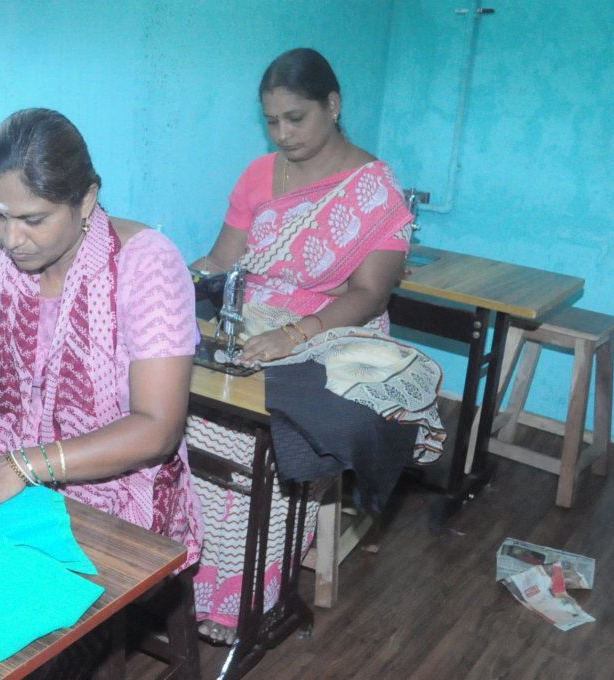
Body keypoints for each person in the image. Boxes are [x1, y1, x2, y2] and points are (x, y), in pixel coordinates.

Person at [189, 48, 439, 644]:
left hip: (330, 334)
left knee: (268, 445)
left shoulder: (377, 193)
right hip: (252, 326)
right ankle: (182, 573)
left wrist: (292, 334)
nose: (283, 134)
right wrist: (165, 283)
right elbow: (224, 262)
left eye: (295, 118)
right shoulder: (258, 174)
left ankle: (241, 601)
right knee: (188, 420)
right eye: (272, 121)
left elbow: (370, 294)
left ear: (333, 105)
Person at [0, 108, 202, 572]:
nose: (10, 238)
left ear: (86, 200)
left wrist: (22, 466)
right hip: (4, 474)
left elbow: (157, 428)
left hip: (118, 503)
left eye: (32, 220)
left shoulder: (146, 265)